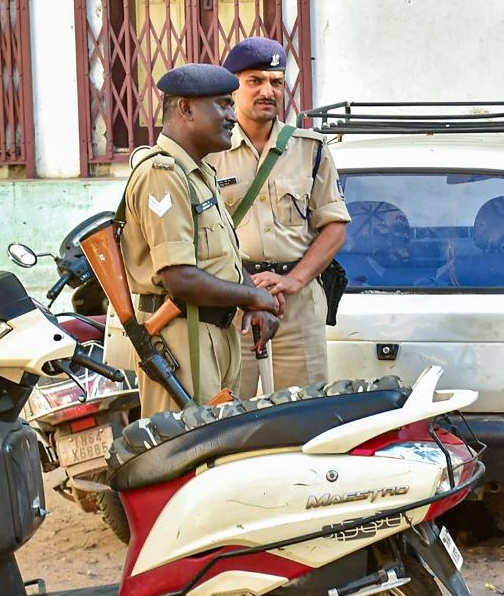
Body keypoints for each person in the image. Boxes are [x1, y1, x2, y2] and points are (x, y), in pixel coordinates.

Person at [120, 63, 281, 416]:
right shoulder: (162, 174)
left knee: (218, 451)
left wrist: (253, 301)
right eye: (223, 104)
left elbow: (221, 261)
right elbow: (180, 277)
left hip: (215, 334)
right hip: (181, 339)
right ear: (186, 109)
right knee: (188, 451)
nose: (232, 117)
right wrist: (254, 295)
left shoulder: (199, 173)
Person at [207, 37, 349, 398]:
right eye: (255, 81)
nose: (267, 91)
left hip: (297, 310)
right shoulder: (208, 153)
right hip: (231, 306)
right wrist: (241, 286)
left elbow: (334, 228)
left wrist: (293, 281)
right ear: (232, 86)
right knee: (225, 420)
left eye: (276, 82)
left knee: (304, 419)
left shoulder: (309, 149)